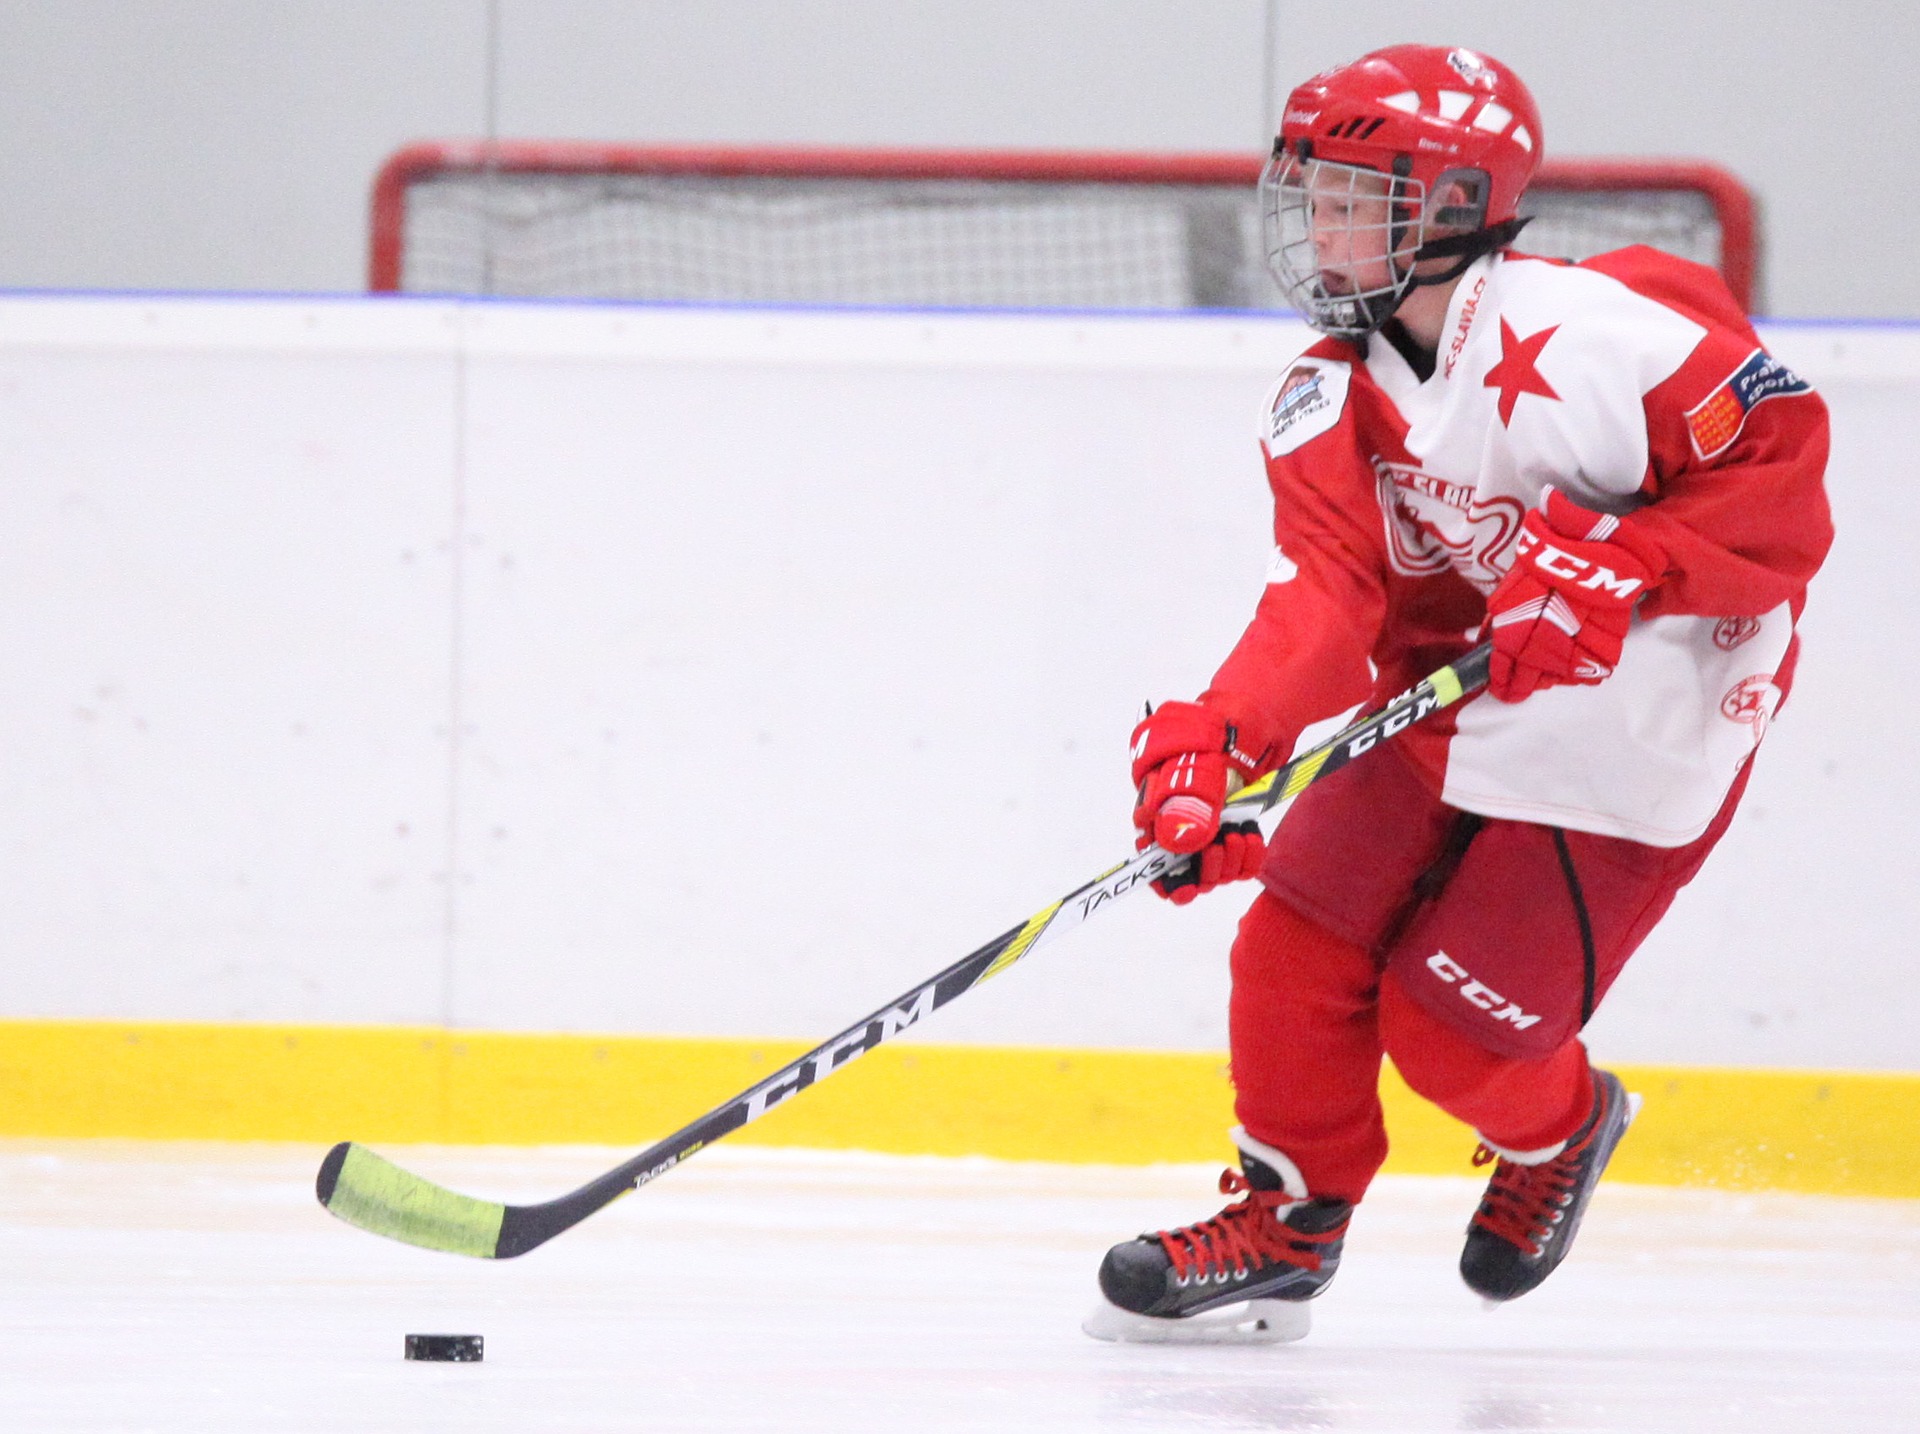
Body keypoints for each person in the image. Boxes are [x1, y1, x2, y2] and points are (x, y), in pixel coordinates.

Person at [1083, 45, 1832, 1344]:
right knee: (1293, 945)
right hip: (1459, 696)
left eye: (1349, 194)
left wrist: (1628, 563)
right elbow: (1328, 601)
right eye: (1308, 190)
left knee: (1448, 1037)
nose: (1313, 223)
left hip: (1643, 722)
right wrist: (1223, 740)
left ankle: (1570, 1121)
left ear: (1444, 203)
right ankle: (1287, 1223)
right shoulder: (1327, 394)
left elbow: (1782, 474)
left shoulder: (1601, 331)